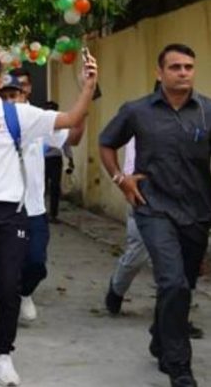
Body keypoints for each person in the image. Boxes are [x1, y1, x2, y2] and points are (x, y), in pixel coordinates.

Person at [0, 53, 97, 386]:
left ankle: (3, 355)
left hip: (10, 213)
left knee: (6, 288)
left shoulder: (21, 115)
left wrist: (88, 87)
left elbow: (71, 118)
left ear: (0, 81)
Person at [99, 44, 210, 387]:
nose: (183, 73)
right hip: (153, 207)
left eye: (188, 67)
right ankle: (179, 367)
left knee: (182, 284)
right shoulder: (137, 111)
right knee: (172, 280)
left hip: (197, 210)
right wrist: (121, 179)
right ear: (159, 73)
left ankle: (160, 337)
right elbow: (106, 143)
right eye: (175, 67)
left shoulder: (207, 111)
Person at [0, 74, 85, 323]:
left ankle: (24, 293)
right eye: (4, 97)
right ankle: (7, 305)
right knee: (4, 266)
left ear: (24, 95)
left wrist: (83, 112)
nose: (9, 102)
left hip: (33, 208)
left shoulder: (36, 119)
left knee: (36, 262)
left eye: (13, 96)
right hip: (3, 209)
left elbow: (73, 138)